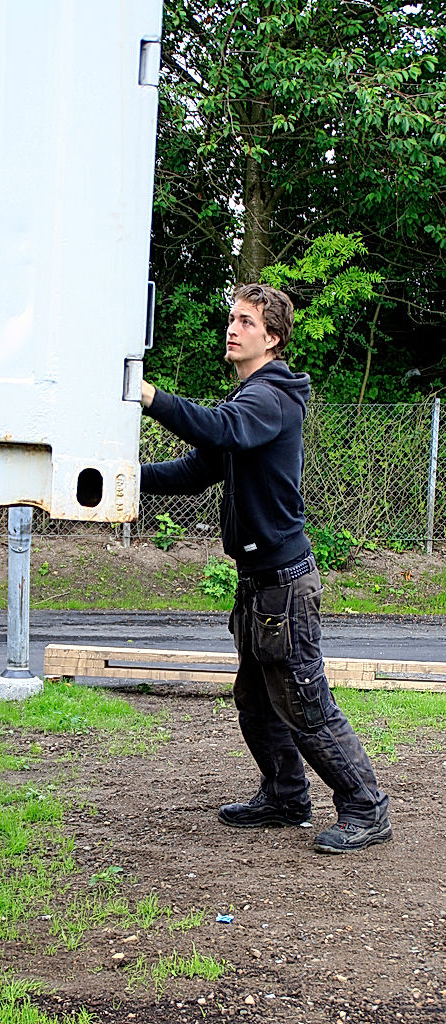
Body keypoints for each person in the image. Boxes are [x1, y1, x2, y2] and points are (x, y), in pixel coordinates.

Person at [139, 283, 391, 854]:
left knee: (303, 701)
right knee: (256, 698)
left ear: (272, 338)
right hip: (259, 582)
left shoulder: (270, 398)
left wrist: (151, 396)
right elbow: (195, 468)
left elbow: (219, 430)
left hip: (285, 582)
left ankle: (366, 808)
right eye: (232, 318)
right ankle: (284, 796)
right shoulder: (245, 402)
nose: (233, 328)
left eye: (246, 322)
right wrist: (123, 476)